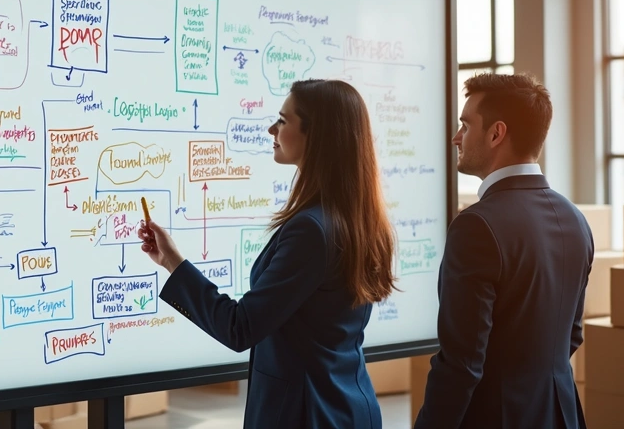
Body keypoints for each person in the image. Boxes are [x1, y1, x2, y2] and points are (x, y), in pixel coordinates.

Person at [138, 79, 396, 428]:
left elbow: (239, 327)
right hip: (348, 406)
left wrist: (173, 262)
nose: (272, 128)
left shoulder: (311, 231)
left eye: (283, 120)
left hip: (307, 414)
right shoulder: (358, 219)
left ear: (315, 136)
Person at [414, 72, 592, 429]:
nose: (456, 138)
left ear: (496, 133)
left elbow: (461, 364)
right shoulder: (574, 218)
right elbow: (571, 333)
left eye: (465, 125)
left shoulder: (476, 226)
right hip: (561, 415)